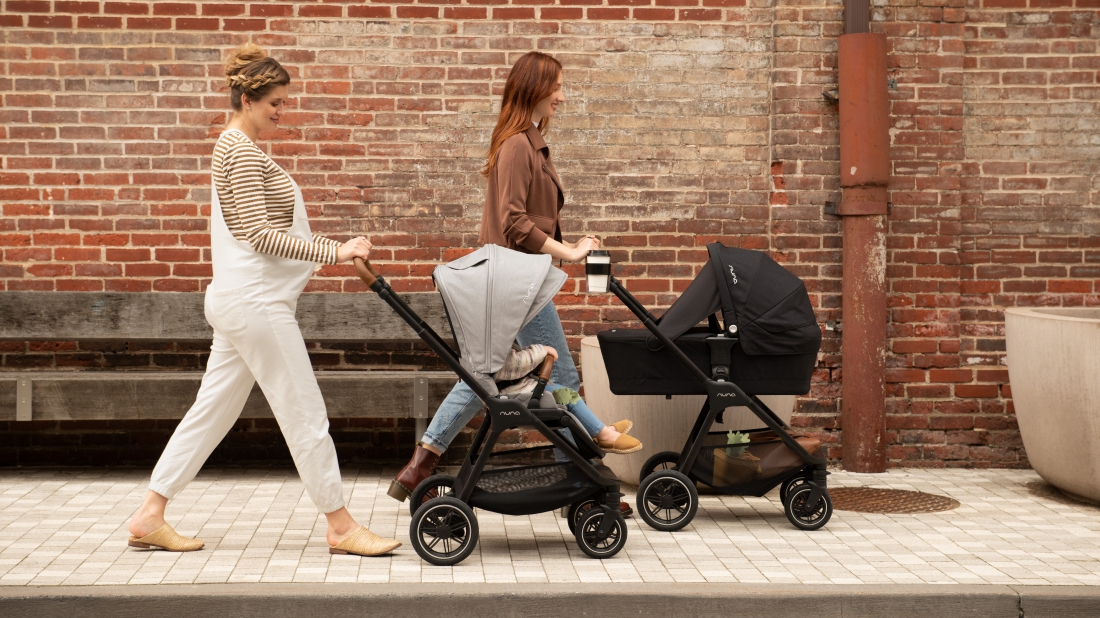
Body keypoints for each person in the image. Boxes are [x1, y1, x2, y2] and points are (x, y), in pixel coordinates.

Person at [127, 44, 400, 557]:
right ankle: (340, 526)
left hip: (239, 300)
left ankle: (149, 514)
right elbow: (258, 232)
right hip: (256, 304)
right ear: (248, 98)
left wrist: (328, 251)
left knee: (211, 412)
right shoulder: (240, 151)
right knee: (305, 412)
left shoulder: (237, 148)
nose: (282, 111)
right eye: (276, 102)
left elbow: (261, 231)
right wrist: (334, 251)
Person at [388, 51, 642, 513]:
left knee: (485, 375)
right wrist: (568, 251)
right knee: (556, 374)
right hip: (514, 280)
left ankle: (422, 461)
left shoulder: (528, 143)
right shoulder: (516, 147)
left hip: (520, 278)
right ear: (536, 90)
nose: (563, 97)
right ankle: (587, 483)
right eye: (557, 88)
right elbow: (513, 222)